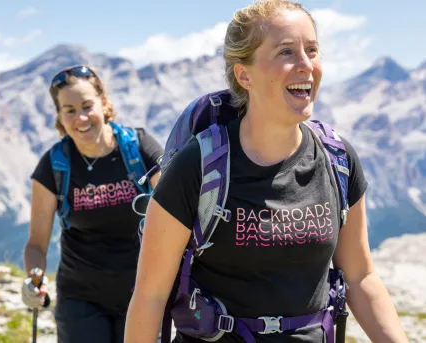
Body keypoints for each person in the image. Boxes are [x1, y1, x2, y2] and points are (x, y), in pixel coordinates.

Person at [124, 1, 409, 342]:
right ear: (244, 75)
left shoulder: (338, 159)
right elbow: (150, 297)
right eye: (287, 52)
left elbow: (361, 276)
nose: (306, 65)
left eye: (313, 50)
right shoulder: (196, 167)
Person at [21, 65, 164, 343]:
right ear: (60, 117)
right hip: (80, 301)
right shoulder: (54, 165)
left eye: (87, 106)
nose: (81, 117)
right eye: (69, 110)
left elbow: (177, 211)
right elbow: (36, 244)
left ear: (105, 104)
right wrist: (34, 276)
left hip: (144, 293)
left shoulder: (141, 148)